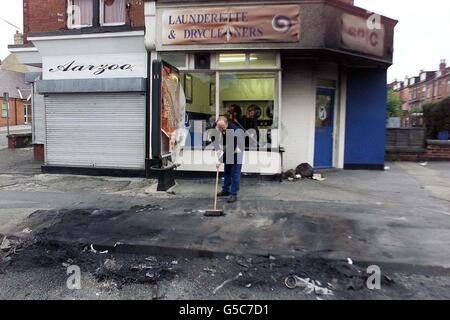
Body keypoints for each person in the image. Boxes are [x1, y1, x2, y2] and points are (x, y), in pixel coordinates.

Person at [215, 116, 244, 203]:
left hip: (236, 150)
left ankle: (233, 194)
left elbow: (231, 149)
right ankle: (225, 190)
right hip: (227, 148)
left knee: (235, 173)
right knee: (227, 171)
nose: (220, 129)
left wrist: (220, 160)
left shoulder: (233, 131)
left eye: (222, 127)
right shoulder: (217, 126)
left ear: (227, 124)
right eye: (219, 127)